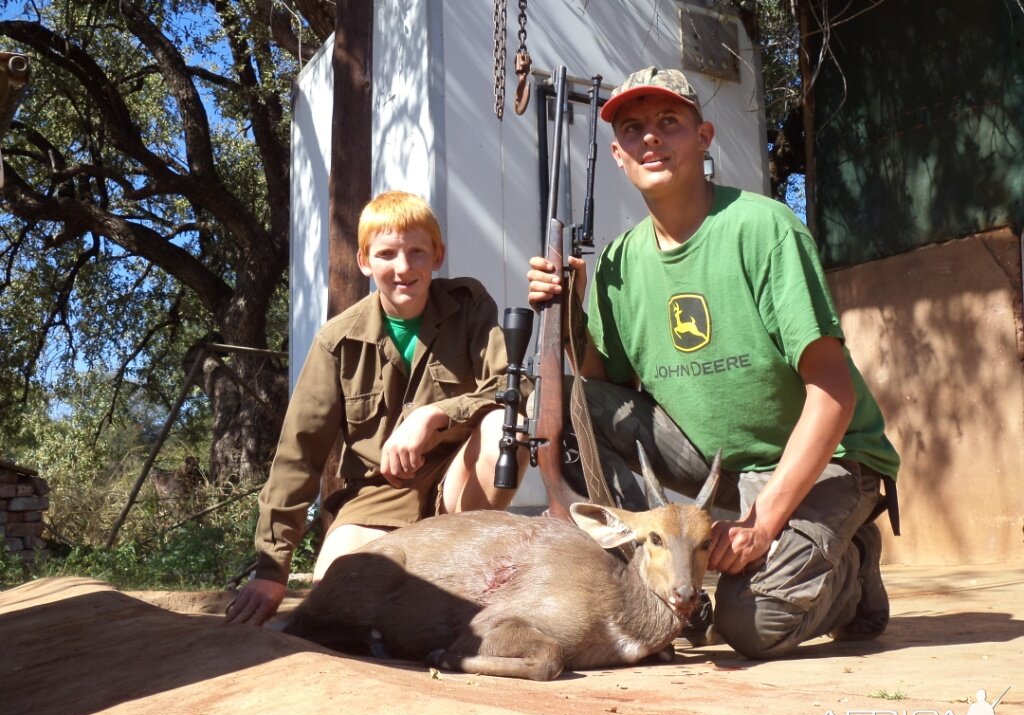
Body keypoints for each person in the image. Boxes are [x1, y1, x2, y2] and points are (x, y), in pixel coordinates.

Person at [527, 66, 901, 659]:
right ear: (618, 155)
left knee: (750, 626)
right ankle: (650, 585)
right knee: (564, 408)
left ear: (703, 138)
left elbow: (833, 394)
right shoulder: (622, 260)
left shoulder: (765, 229)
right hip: (712, 463)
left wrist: (764, 521)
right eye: (632, 128)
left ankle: (852, 571)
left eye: (668, 122)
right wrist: (569, 312)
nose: (650, 137)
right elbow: (601, 396)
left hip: (825, 458)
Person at [228, 190, 525, 626]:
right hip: (376, 497)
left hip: (455, 489)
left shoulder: (470, 306)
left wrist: (434, 415)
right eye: (386, 254)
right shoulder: (337, 341)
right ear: (365, 261)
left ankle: (462, 557)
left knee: (506, 426)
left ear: (437, 256)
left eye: (416, 253)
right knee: (336, 595)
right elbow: (299, 452)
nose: (403, 268)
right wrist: (273, 570)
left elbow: (511, 386)